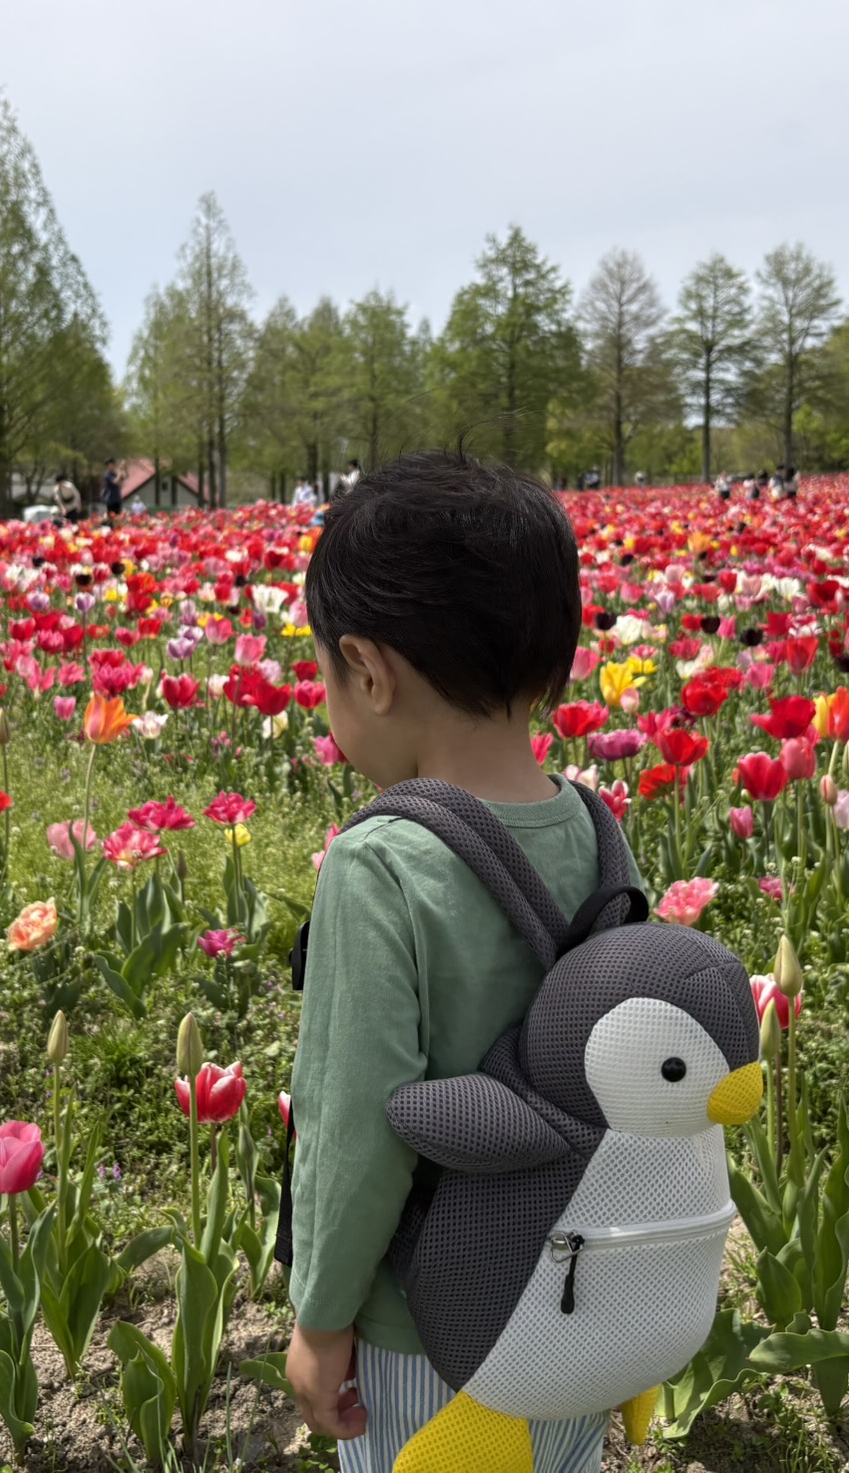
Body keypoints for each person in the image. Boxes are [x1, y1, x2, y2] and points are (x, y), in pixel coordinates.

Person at [284, 454, 633, 1472]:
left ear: (370, 669)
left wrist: (319, 1318)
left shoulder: (379, 863)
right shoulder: (595, 828)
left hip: (428, 1329)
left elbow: (357, 1126)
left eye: (322, 675)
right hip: (580, 1302)